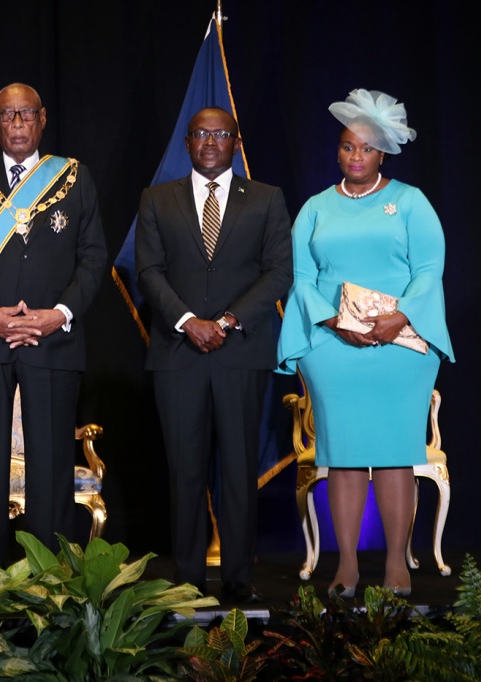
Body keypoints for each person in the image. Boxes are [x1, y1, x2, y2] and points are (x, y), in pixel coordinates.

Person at [277, 89, 454, 597]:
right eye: (348, 147)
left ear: (384, 153)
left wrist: (397, 318)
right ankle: (348, 566)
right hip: (334, 349)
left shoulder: (411, 203)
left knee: (397, 455)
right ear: (337, 151)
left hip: (401, 347)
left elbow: (429, 270)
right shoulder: (315, 208)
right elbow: (303, 277)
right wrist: (335, 322)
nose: (356, 156)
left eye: (367, 148)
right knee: (346, 456)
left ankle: (397, 565)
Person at [0, 83, 107, 563]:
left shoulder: (74, 177)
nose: (17, 123)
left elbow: (94, 258)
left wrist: (59, 315)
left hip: (52, 341)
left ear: (43, 119)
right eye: (8, 115)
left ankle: (49, 578)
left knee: (52, 466)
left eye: (26, 114)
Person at [135, 107, 293, 602]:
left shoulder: (266, 199)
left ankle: (238, 578)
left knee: (240, 469)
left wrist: (225, 322)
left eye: (220, 134)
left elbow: (278, 273)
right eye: (200, 134)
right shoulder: (157, 199)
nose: (210, 142)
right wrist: (188, 322)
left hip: (239, 351)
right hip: (178, 352)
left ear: (235, 141)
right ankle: (186, 578)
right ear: (187, 143)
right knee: (184, 469)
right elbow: (149, 272)